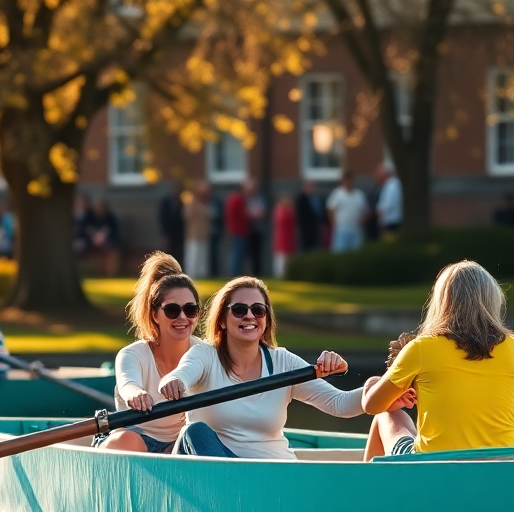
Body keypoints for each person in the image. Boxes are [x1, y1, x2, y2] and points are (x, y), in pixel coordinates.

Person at [158, 276, 361, 459]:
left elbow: (341, 404)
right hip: (224, 478)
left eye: (258, 310)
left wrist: (383, 385)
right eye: (239, 310)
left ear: (266, 319)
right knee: (194, 433)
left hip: (275, 473)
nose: (249, 316)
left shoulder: (283, 362)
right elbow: (181, 374)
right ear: (222, 320)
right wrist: (173, 382)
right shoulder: (205, 354)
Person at [361, 260, 514, 461]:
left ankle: (368, 491)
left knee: (385, 416)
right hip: (508, 463)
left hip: (438, 465)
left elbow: (371, 406)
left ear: (442, 302)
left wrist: (379, 386)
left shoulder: (421, 348)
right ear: (493, 300)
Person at [97, 252, 206, 454]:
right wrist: (136, 395)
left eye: (190, 309)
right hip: (134, 440)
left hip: (180, 446)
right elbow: (127, 384)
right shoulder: (132, 354)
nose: (182, 317)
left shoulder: (206, 353)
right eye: (172, 310)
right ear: (155, 314)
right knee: (127, 440)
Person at [326, 170, 369, 252]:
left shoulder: (359, 195)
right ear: (343, 180)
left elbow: (366, 210)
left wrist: (362, 221)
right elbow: (330, 209)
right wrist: (333, 223)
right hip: (341, 230)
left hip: (356, 230)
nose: (349, 182)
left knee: (356, 254)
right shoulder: (337, 194)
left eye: (350, 179)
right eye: (346, 179)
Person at [182, 181, 213, 279]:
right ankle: (192, 274)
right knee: (193, 255)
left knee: (203, 255)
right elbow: (186, 216)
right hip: (194, 234)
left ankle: (202, 274)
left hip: (203, 234)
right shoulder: (192, 203)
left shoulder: (205, 204)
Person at [84, 198, 121, 276]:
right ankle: (96, 272)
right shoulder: (90, 217)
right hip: (92, 242)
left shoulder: (110, 218)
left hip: (108, 242)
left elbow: (113, 231)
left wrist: (103, 237)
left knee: (112, 252)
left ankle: (110, 273)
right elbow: (87, 229)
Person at [294, 180, 325, 252]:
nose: (311, 188)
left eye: (312, 186)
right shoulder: (301, 199)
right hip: (306, 230)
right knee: (306, 249)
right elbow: (300, 215)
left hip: (317, 229)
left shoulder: (317, 198)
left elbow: (321, 212)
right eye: (309, 186)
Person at [158, 184, 185, 262]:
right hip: (169, 232)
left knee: (179, 252)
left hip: (179, 233)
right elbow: (162, 217)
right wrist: (164, 233)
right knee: (169, 252)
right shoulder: (166, 203)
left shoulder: (181, 203)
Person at [271, 194, 297, 279]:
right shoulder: (280, 211)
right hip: (282, 238)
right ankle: (280, 274)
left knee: (288, 258)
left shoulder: (287, 211)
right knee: (281, 258)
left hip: (288, 237)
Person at [374, 163, 403, 235]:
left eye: (379, 173)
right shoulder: (385, 185)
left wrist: (380, 211)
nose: (377, 176)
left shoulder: (393, 185)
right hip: (387, 221)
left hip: (392, 221)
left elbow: (389, 204)